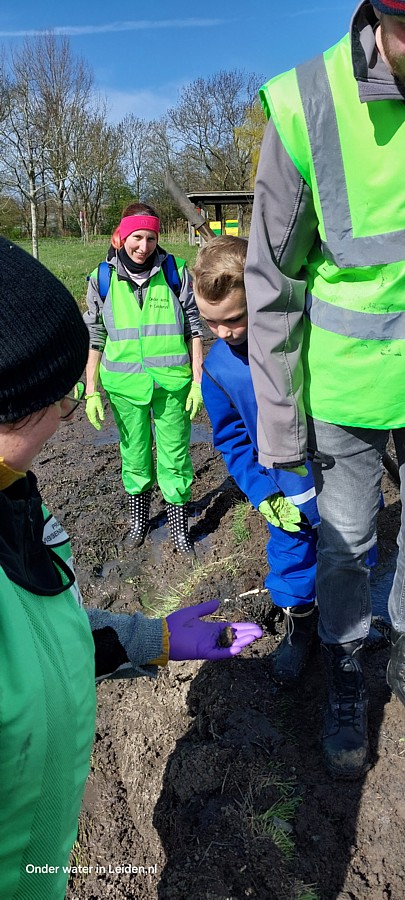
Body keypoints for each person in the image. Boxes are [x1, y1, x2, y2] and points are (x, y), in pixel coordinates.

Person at [0, 236, 262, 899]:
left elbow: (35, 644)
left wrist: (156, 640)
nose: (68, 415)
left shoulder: (17, 505)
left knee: (171, 462)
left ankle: (170, 525)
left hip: (39, 869)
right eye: (52, 401)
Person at [245, 0, 405, 779]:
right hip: (345, 392)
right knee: (346, 548)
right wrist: (277, 431)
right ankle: (345, 668)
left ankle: (400, 645)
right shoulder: (309, 102)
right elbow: (269, 286)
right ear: (379, 16)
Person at [193, 236, 319, 684]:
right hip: (282, 486)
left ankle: (353, 625)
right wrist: (263, 492)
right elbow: (232, 439)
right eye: (211, 323)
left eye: (234, 319)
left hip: (337, 474)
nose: (223, 333)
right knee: (292, 556)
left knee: (353, 550)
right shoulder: (218, 370)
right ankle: (301, 628)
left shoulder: (306, 335)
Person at [83, 201, 204, 555]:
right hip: (124, 386)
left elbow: (195, 330)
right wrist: (91, 390)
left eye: (150, 238)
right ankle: (140, 521)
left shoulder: (176, 272)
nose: (143, 246)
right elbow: (95, 337)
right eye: (137, 237)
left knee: (175, 456)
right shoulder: (100, 278)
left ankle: (179, 526)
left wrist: (197, 380)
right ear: (122, 237)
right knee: (134, 455)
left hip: (172, 385)